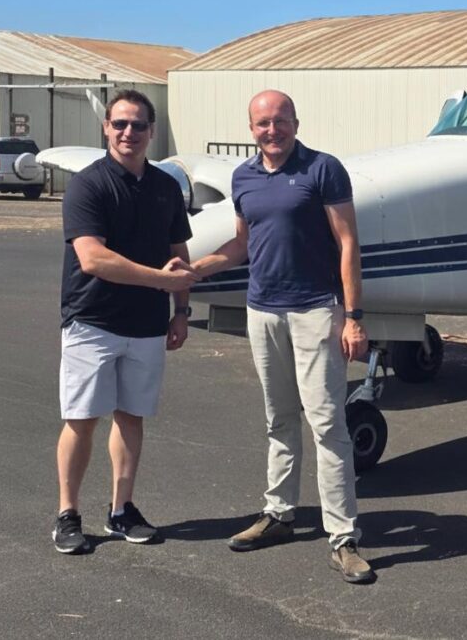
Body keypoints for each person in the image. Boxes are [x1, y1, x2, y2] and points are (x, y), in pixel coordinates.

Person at [192, 90, 373, 584]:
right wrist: (193, 269)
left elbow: (348, 242)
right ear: (250, 128)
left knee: (327, 424)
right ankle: (280, 515)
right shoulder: (243, 176)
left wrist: (353, 315)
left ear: (295, 122)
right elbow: (243, 243)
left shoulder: (323, 169)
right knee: (279, 418)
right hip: (264, 312)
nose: (272, 130)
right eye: (262, 123)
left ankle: (343, 538)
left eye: (280, 121)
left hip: (316, 310)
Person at [53, 89, 197, 555]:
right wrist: (160, 280)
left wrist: (181, 310)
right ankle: (68, 514)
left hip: (148, 325)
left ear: (152, 132)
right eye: (119, 124)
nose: (128, 133)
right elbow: (93, 259)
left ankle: (121, 509)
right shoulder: (88, 185)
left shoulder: (165, 187)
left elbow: (180, 254)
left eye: (138, 125)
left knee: (131, 417)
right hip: (92, 320)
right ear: (106, 128)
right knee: (82, 419)